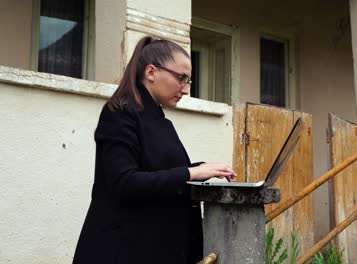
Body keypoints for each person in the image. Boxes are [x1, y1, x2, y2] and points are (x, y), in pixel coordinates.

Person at [73, 36, 236, 264]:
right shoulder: (119, 113)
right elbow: (124, 183)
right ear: (151, 72)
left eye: (188, 81)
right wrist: (190, 173)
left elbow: (161, 173)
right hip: (123, 250)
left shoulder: (159, 119)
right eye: (181, 78)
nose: (186, 89)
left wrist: (203, 170)